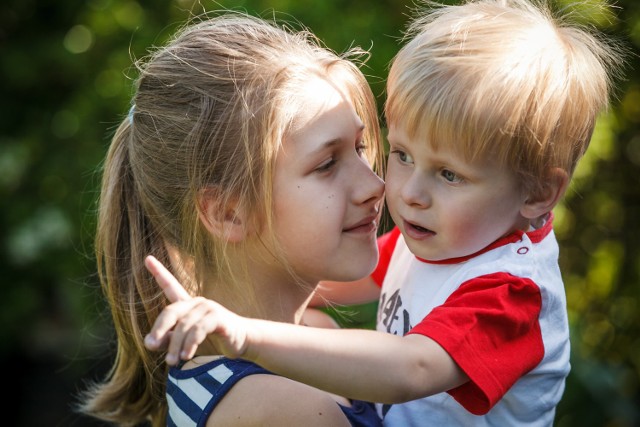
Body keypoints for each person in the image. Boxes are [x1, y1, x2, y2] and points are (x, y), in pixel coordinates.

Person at [143, 0, 625, 426]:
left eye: (450, 175)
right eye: (402, 155)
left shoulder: (511, 292)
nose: (400, 191)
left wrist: (248, 333)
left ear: (538, 192)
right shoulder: (448, 238)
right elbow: (357, 279)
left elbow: (410, 369)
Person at [78, 11, 388, 427]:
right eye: (327, 164)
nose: (374, 185)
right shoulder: (280, 408)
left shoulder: (313, 335)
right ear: (228, 213)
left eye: (361, 146)